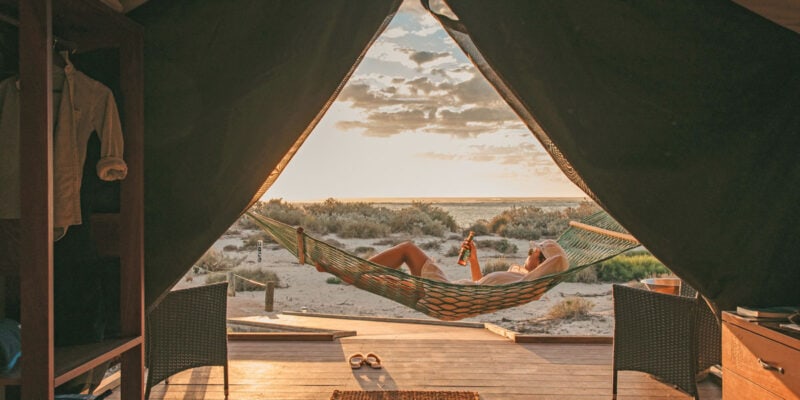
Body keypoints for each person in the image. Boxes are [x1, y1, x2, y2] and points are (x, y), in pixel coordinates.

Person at [367, 237, 569, 285]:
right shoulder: (518, 278)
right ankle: (363, 273)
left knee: (408, 249)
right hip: (453, 293)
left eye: (534, 250)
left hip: (447, 294)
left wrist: (552, 262)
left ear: (541, 260)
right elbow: (479, 284)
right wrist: (473, 258)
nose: (530, 252)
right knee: (408, 253)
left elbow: (557, 260)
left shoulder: (522, 281)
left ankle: (359, 270)